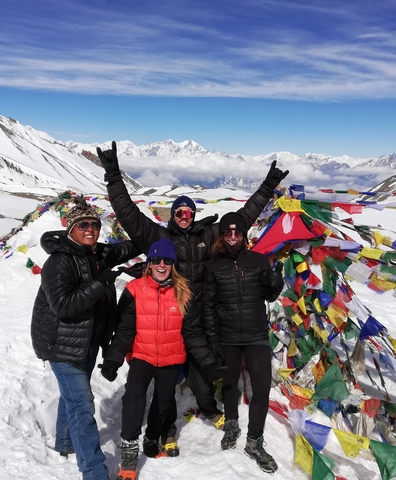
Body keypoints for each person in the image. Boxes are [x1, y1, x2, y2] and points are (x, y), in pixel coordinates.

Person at [96, 141, 288, 446]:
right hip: (167, 319)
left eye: (189, 212)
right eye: (179, 212)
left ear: (194, 214)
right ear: (173, 215)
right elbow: (129, 215)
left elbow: (242, 218)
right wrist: (113, 176)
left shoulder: (208, 235)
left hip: (198, 320)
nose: (185, 216)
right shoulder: (158, 237)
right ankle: (168, 428)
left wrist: (267, 187)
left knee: (202, 376)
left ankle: (209, 408)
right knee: (166, 381)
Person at [30, 196, 139, 480]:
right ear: (71, 230)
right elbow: (63, 307)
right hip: (63, 346)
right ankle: (94, 473)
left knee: (72, 399)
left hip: (87, 343)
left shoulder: (98, 254)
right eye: (83, 225)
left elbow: (131, 247)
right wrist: (99, 284)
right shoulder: (59, 262)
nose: (90, 229)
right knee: (82, 406)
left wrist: (162, 235)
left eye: (94, 224)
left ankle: (65, 443)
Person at [98, 239, 222, 480]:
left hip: (171, 357)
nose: (161, 265)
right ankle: (129, 453)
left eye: (167, 261)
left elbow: (193, 334)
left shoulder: (184, 293)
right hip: (141, 355)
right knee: (133, 397)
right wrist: (113, 359)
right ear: (149, 263)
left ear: (173, 264)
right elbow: (124, 329)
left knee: (163, 403)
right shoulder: (135, 289)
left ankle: (152, 436)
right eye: (156, 260)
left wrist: (209, 362)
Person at [203, 212, 285, 474]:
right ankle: (232, 425)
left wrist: (276, 283)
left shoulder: (258, 261)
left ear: (244, 235)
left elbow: (269, 295)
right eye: (228, 232)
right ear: (222, 235)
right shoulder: (213, 266)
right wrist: (213, 339)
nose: (233, 237)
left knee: (261, 388)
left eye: (237, 232)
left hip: (255, 335)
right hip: (226, 336)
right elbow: (208, 305)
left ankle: (254, 441)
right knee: (229, 384)